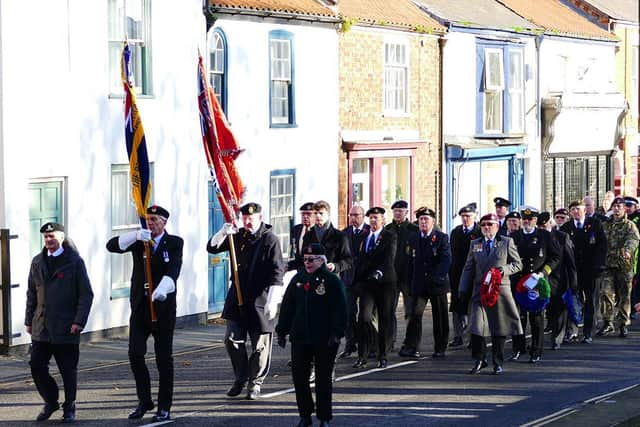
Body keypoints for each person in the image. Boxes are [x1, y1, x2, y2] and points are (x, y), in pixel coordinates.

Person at [106, 205, 183, 421]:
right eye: (148, 219)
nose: (151, 223)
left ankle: (164, 406)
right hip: (141, 309)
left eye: (155, 220)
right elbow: (112, 246)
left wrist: (163, 289)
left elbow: (174, 270)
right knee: (135, 354)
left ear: (164, 222)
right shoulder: (140, 242)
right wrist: (135, 235)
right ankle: (144, 400)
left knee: (163, 359)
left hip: (163, 310)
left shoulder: (175, 243)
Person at [207, 202, 285, 400]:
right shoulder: (238, 235)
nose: (247, 222)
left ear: (260, 217)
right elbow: (213, 248)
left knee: (260, 345)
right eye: (244, 218)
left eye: (251, 218)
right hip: (237, 297)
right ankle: (240, 377)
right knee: (231, 339)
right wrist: (223, 233)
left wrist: (273, 300)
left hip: (260, 299)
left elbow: (277, 271)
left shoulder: (270, 240)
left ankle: (255, 382)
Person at [25, 222, 93, 423]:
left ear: (61, 238)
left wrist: (78, 322)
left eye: (52, 236)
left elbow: (86, 295)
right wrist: (29, 320)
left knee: (67, 370)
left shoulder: (74, 262)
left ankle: (69, 406)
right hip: (41, 326)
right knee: (36, 366)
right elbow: (31, 293)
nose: (48, 240)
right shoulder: (37, 262)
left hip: (66, 327)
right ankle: (51, 401)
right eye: (46, 237)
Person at [276, 244, 347, 427]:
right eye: (305, 259)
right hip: (301, 337)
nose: (307, 263)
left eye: (311, 259)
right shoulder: (298, 279)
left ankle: (324, 417)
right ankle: (305, 414)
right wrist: (282, 331)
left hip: (325, 338)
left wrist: (337, 332)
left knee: (323, 379)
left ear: (322, 260)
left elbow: (340, 309)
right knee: (300, 377)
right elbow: (287, 308)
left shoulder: (331, 280)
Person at [459, 213, 523, 375]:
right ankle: (479, 359)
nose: (486, 228)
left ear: (496, 226)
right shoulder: (475, 244)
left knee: (498, 327)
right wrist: (462, 288)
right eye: (484, 225)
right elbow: (468, 267)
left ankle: (497, 361)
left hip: (499, 290)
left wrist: (504, 270)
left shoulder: (506, 242)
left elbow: (517, 264)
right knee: (477, 327)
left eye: (490, 224)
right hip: (480, 290)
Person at [509, 207, 561, 364]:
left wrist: (543, 273)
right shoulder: (514, 236)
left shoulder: (544, 236)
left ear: (535, 221)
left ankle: (536, 350)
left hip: (536, 281)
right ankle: (518, 348)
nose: (527, 222)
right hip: (518, 281)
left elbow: (555, 256)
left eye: (530, 219)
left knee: (536, 317)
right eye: (525, 219)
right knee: (518, 317)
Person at [400, 207, 451, 358]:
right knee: (415, 314)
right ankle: (411, 346)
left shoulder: (441, 238)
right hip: (419, 284)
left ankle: (440, 347)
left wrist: (438, 276)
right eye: (421, 219)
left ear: (433, 222)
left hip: (437, 283)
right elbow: (409, 262)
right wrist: (409, 281)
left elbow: (446, 259)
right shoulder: (414, 238)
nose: (423, 222)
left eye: (426, 219)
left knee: (440, 317)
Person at [352, 206, 397, 369]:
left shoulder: (389, 236)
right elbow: (360, 260)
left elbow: (389, 258)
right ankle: (362, 356)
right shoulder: (365, 237)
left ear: (383, 220)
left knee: (385, 319)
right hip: (367, 284)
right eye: (370, 218)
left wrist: (379, 272)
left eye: (376, 218)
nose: (373, 221)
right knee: (363, 318)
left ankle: (383, 355)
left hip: (384, 283)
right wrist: (357, 282)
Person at [560, 199, 607, 343]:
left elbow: (602, 245)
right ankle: (572, 331)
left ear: (585, 210)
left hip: (592, 270)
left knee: (590, 301)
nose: (576, 212)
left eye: (578, 209)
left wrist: (599, 265)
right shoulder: (566, 228)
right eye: (573, 209)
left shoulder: (595, 224)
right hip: (573, 270)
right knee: (573, 300)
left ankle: (588, 332)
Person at [599, 197, 639, 338]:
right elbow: (599, 241)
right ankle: (608, 322)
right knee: (605, 293)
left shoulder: (629, 225)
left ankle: (623, 323)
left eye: (619, 206)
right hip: (608, 265)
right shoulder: (606, 225)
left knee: (624, 296)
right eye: (614, 206)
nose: (616, 209)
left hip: (624, 266)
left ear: (624, 209)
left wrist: (628, 250)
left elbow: (633, 239)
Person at [537, 212, 577, 350]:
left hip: (558, 279)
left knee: (559, 309)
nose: (542, 228)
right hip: (541, 279)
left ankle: (557, 338)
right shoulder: (536, 237)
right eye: (540, 226)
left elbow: (570, 262)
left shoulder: (561, 237)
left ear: (550, 223)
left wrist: (573, 282)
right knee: (546, 310)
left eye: (544, 225)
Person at [385, 200, 419, 346]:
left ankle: (409, 341)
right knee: (388, 310)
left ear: (406, 212)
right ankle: (389, 340)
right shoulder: (388, 229)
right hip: (391, 276)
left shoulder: (413, 229)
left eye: (401, 211)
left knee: (409, 311)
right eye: (396, 211)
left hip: (407, 276)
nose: (398, 213)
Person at [339, 205, 370, 359]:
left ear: (363, 216)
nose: (353, 218)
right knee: (348, 314)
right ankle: (350, 343)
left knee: (365, 316)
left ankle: (367, 345)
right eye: (351, 215)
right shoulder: (344, 233)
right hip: (348, 279)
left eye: (357, 215)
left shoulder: (370, 231)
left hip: (364, 279)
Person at [447, 203, 480, 347]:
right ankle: (458, 335)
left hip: (473, 274)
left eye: (468, 216)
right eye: (463, 216)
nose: (466, 219)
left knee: (472, 306)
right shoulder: (456, 232)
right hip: (457, 273)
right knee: (457, 306)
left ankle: (473, 336)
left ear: (474, 216)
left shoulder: (479, 232)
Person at [300, 200, 352, 275]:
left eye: (321, 213)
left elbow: (348, 261)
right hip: (312, 278)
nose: (318, 216)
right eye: (315, 213)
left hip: (331, 278)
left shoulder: (339, 236)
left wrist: (335, 266)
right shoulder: (308, 235)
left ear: (328, 215)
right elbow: (302, 258)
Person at [288, 202, 315, 271]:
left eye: (308, 214)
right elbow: (296, 251)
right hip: (300, 271)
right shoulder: (296, 229)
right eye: (303, 214)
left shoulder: (318, 231)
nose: (305, 217)